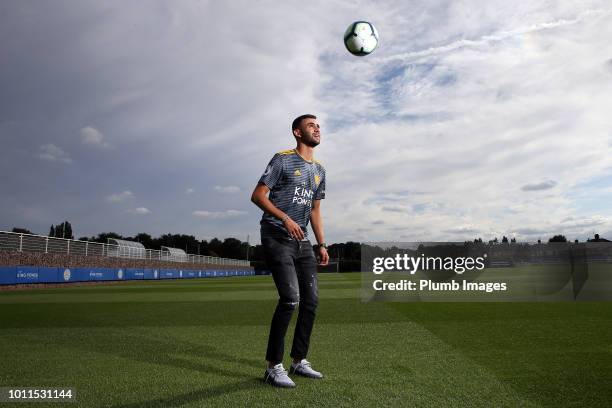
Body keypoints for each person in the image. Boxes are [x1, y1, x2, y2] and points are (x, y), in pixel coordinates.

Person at [251, 114, 329, 388]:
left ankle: (299, 360)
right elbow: (258, 195)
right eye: (311, 125)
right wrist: (285, 218)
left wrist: (321, 243)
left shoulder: (320, 170)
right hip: (275, 233)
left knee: (311, 301)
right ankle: (273, 367)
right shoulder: (282, 159)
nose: (317, 129)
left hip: (303, 241)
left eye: (318, 125)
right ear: (297, 132)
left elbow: (315, 211)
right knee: (290, 299)